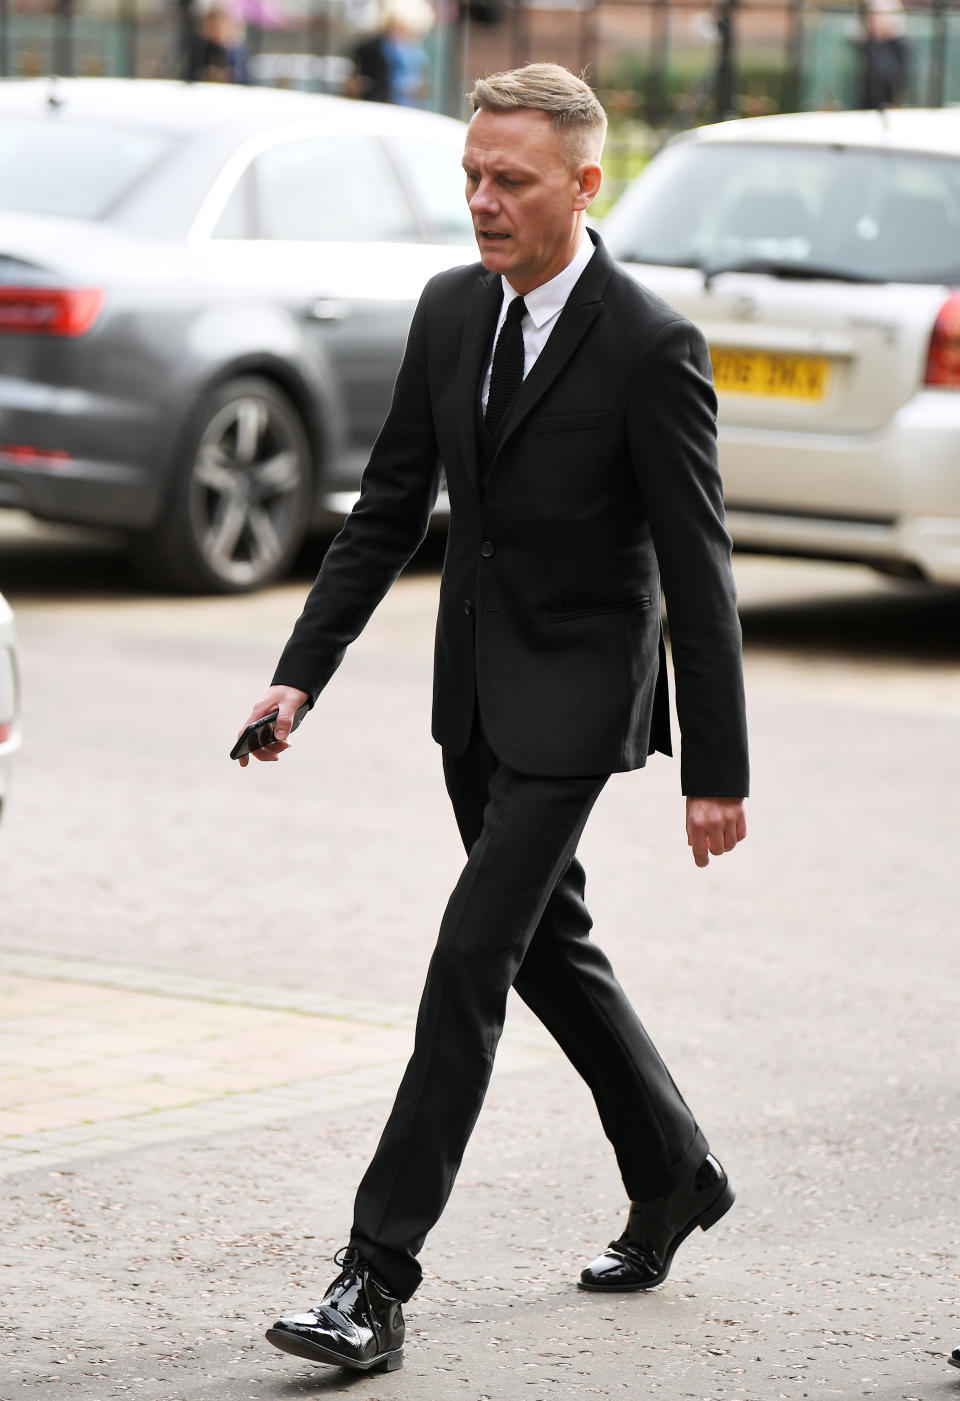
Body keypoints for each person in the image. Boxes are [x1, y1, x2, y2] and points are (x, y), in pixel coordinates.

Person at [236, 62, 749, 1374]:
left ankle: (374, 1276)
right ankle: (675, 1167)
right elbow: (390, 508)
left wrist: (717, 765)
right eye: (471, 175)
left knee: (471, 958)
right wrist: (302, 672)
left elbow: (699, 569)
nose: (481, 200)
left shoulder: (649, 343)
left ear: (587, 184)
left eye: (509, 179)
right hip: (473, 692)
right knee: (544, 945)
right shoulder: (451, 310)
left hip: (581, 696)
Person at [186, 3, 251, 85]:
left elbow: (245, 78)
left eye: (222, 28)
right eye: (214, 27)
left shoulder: (237, 49)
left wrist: (228, 75)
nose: (219, 32)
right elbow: (190, 74)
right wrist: (206, 74)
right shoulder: (201, 46)